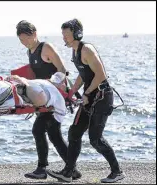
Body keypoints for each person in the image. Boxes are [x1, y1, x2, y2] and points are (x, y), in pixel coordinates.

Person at [46, 18, 125, 183]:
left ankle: (117, 172)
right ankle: (68, 172)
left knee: (95, 139)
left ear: (77, 34)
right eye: (63, 35)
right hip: (90, 97)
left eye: (66, 35)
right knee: (74, 132)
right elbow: (84, 74)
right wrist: (72, 91)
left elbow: (101, 75)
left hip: (102, 97)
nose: (64, 38)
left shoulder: (86, 49)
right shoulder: (74, 52)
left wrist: (87, 93)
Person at [16, 20, 82, 180]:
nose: (24, 43)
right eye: (21, 40)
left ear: (34, 34)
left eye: (26, 39)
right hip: (43, 98)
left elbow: (62, 70)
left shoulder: (46, 48)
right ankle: (72, 169)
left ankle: (42, 168)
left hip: (54, 97)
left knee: (38, 130)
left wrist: (52, 84)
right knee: (54, 134)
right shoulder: (30, 52)